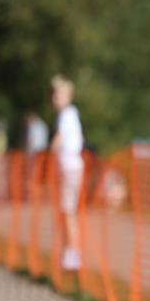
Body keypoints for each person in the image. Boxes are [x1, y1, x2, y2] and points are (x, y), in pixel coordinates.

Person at [50, 75, 85, 271]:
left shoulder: (67, 114)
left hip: (70, 168)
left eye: (59, 94)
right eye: (54, 94)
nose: (55, 98)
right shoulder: (68, 114)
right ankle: (70, 252)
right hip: (69, 168)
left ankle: (73, 254)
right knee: (66, 211)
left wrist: (49, 150)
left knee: (68, 211)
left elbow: (59, 138)